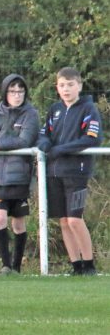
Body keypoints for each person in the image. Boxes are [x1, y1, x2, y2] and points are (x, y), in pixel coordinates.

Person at [37, 67, 102, 275]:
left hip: (77, 172)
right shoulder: (54, 109)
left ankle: (89, 264)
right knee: (63, 220)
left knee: (75, 219)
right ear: (57, 87)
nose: (66, 89)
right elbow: (43, 134)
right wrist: (45, 143)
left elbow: (92, 138)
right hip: (54, 172)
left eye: (70, 85)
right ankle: (76, 266)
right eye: (62, 85)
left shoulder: (88, 109)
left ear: (79, 86)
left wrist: (60, 150)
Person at [0, 74, 39, 275]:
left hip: (20, 178)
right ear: (5, 93)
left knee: (19, 223)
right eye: (13, 91)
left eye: (20, 91)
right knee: (0, 219)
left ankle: (17, 267)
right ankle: (5, 266)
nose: (17, 95)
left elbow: (25, 141)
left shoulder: (31, 115)